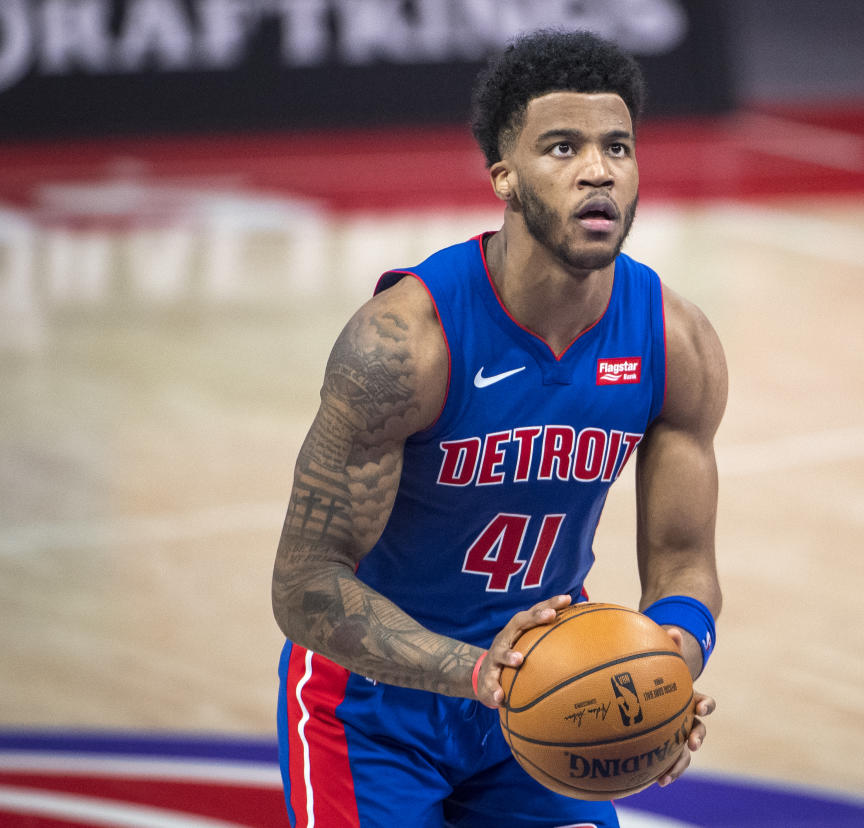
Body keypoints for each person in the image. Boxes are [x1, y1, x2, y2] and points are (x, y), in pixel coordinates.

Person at [271, 28, 727, 828]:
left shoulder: (673, 341)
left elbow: (685, 565)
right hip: (375, 704)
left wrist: (666, 664)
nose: (598, 170)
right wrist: (481, 672)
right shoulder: (404, 344)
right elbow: (305, 586)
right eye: (562, 147)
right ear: (504, 177)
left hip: (554, 690)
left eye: (618, 147)